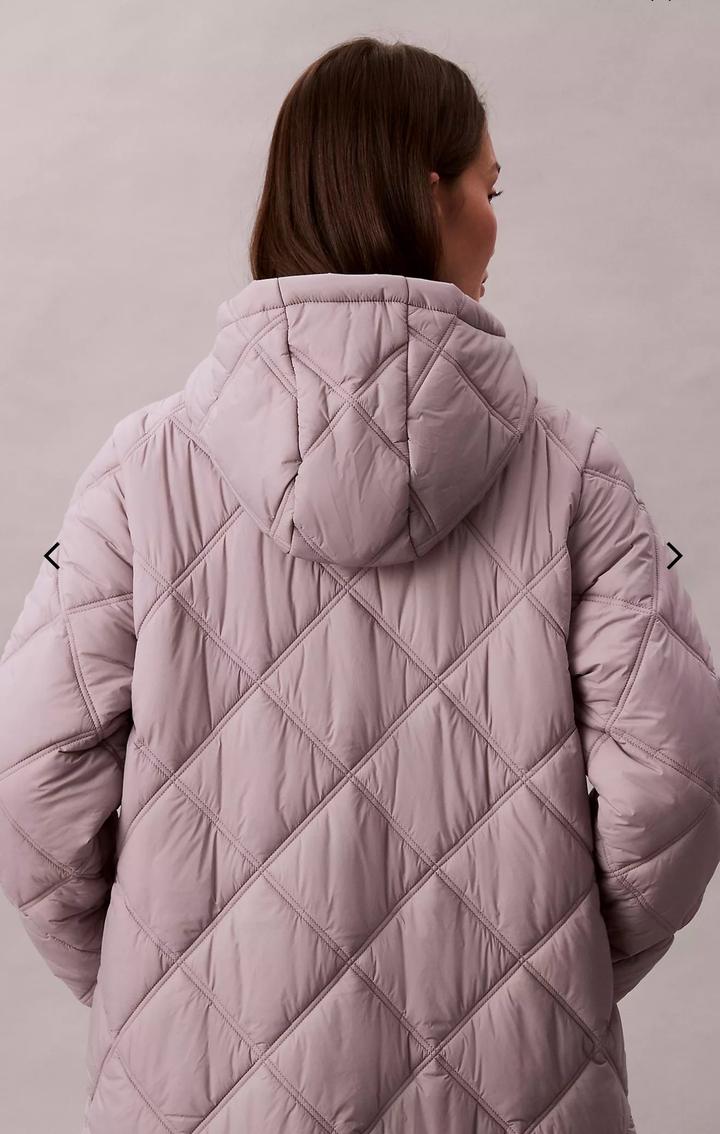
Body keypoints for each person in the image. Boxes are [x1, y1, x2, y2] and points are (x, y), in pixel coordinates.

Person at [1, 34, 718, 1134]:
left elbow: (33, 775)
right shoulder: (575, 475)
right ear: (430, 195)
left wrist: (163, 976)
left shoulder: (143, 472)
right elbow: (674, 782)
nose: (497, 222)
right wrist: (543, 968)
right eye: (489, 189)